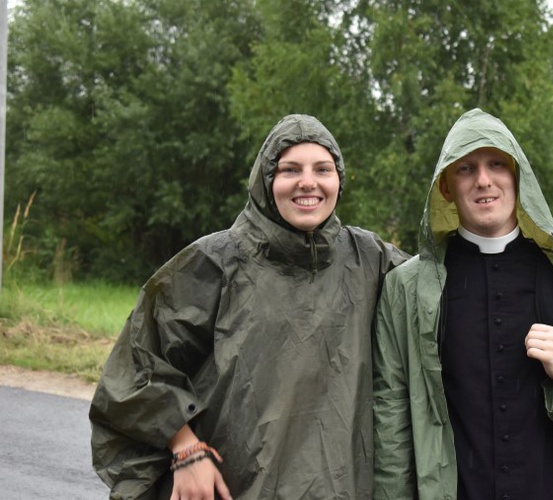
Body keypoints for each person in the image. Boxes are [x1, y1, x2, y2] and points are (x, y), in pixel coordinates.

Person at [88, 114, 412, 499]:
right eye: (290, 169)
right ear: (265, 180)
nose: (308, 182)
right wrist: (186, 451)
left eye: (322, 169)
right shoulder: (214, 263)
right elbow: (138, 368)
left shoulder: (370, 260)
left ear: (338, 180)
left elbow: (444, 297)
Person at [372, 108, 553, 500]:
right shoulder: (406, 290)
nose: (483, 180)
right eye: (465, 168)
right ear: (445, 186)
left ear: (518, 177)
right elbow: (390, 417)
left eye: (497, 163)